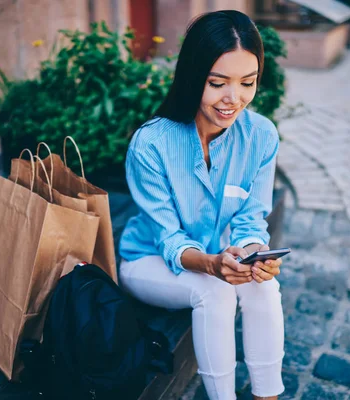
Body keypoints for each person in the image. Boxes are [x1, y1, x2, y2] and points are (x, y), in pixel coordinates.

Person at [118, 10, 284, 400]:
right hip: (148, 260)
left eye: (247, 83)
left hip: (216, 255)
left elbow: (249, 219)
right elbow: (168, 238)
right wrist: (211, 264)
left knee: (264, 286)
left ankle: (268, 396)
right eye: (217, 83)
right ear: (194, 77)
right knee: (217, 292)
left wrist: (257, 253)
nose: (233, 99)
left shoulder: (260, 136)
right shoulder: (151, 144)